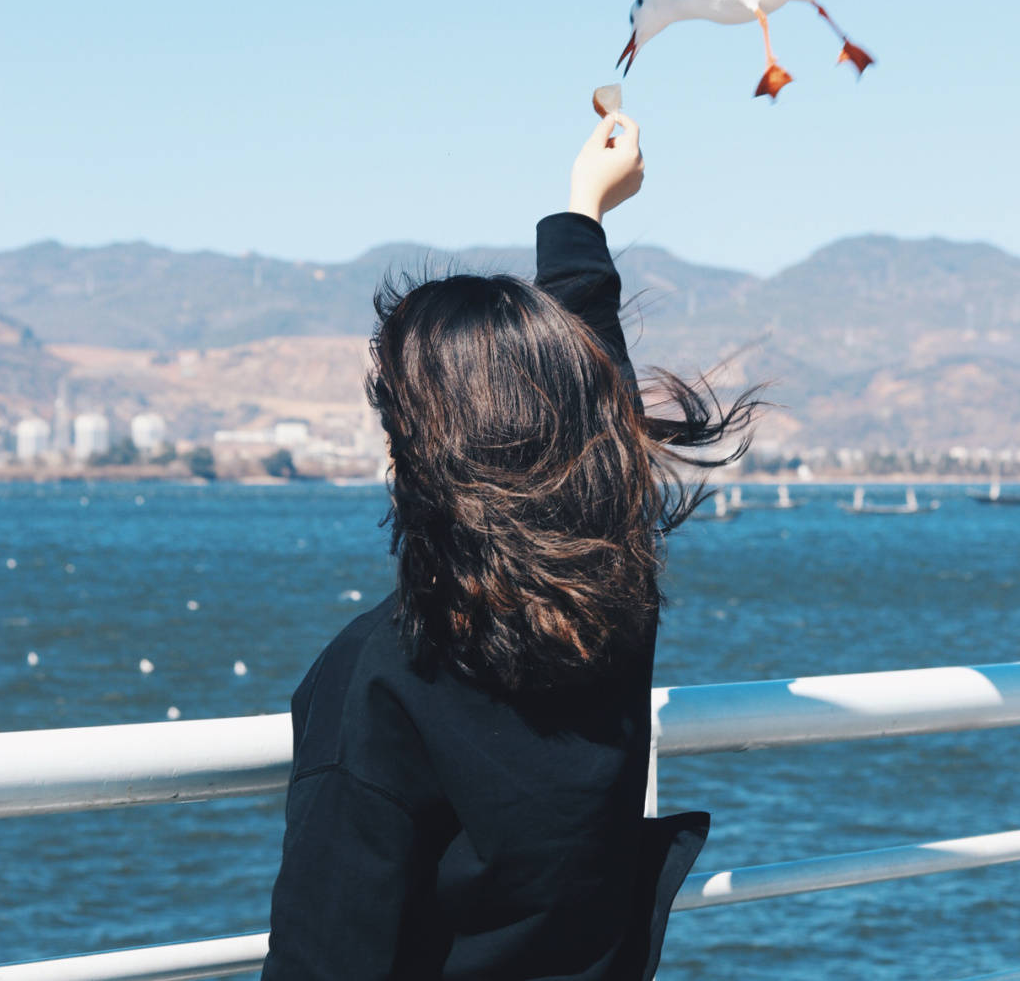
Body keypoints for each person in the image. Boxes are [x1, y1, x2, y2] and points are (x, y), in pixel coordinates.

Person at [261, 110, 758, 981]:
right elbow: (596, 424)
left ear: (416, 452)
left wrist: (584, 211)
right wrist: (581, 215)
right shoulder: (609, 606)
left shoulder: (376, 684)